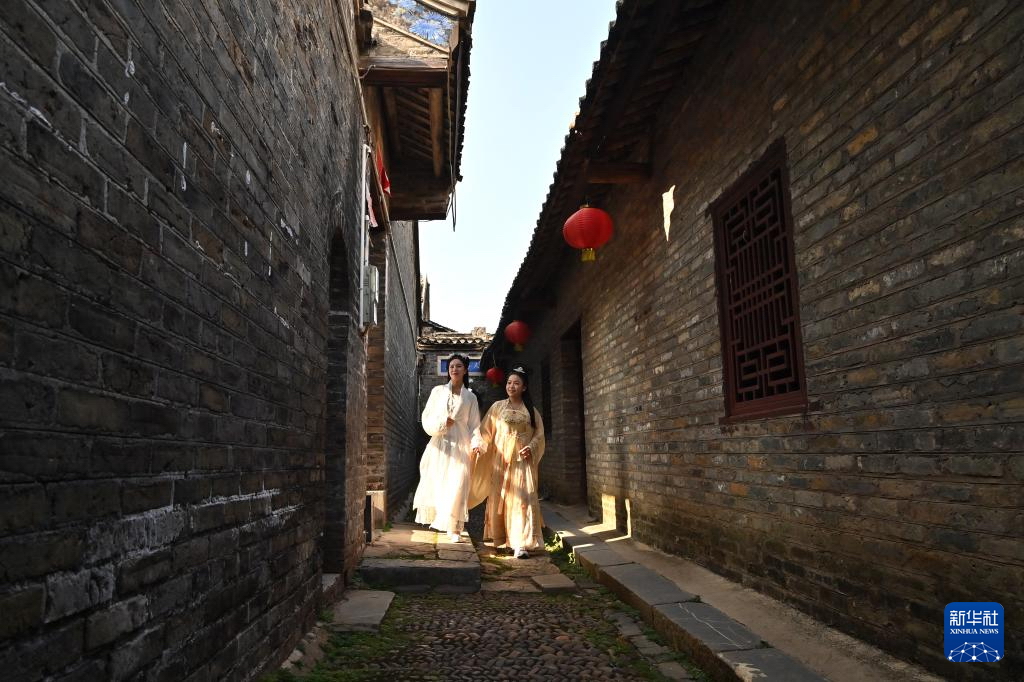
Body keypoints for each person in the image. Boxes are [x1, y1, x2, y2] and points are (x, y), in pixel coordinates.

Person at [470, 366, 545, 558]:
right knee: (502, 498)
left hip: (521, 461)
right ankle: (503, 539)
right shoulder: (497, 407)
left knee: (523, 499)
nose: (511, 386)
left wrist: (531, 447)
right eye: (509, 382)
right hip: (500, 460)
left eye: (516, 383)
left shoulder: (530, 410)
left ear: (524, 387)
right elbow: (485, 431)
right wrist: (479, 444)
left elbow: (539, 434)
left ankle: (521, 543)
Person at [412, 354, 482, 543]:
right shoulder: (438, 392)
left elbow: (474, 425)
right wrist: (443, 422)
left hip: (461, 445)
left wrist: (476, 443)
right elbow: (427, 416)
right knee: (441, 483)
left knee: (458, 484)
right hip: (440, 445)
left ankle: (456, 528)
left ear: (465, 370)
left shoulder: (471, 397)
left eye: (458, 366)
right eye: (451, 366)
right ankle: (444, 520)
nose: (454, 369)